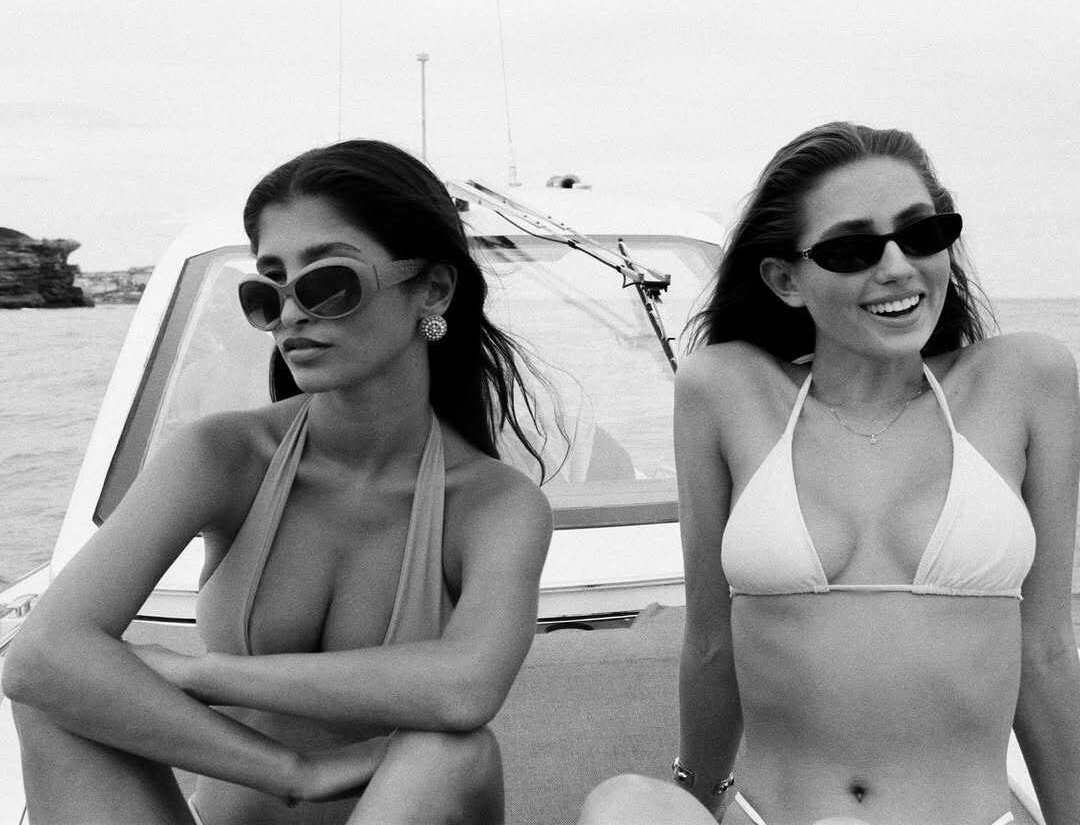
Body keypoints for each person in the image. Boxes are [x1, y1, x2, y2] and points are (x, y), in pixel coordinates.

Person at [2, 139, 554, 824]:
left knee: (448, 752)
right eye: (268, 291)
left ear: (433, 290)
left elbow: (467, 688)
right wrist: (296, 773)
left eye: (328, 284)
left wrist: (199, 672)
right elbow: (37, 657)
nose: (292, 314)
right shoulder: (224, 455)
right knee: (55, 697)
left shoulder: (494, 505)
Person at [577, 122, 1080, 824]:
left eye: (921, 234)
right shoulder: (726, 390)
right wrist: (694, 804)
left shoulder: (1025, 380)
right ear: (785, 280)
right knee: (624, 806)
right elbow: (712, 645)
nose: (898, 266)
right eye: (852, 249)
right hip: (772, 813)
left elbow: (1048, 652)